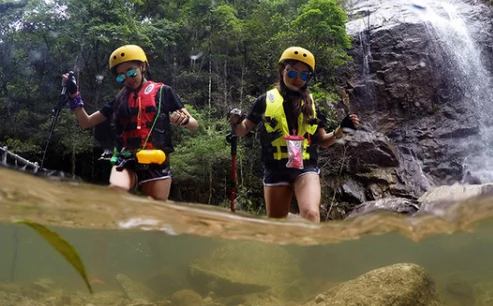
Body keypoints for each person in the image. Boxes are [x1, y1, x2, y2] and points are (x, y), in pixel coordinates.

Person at [228, 46, 360, 223]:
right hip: (275, 168)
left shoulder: (312, 105)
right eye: (292, 73)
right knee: (278, 223)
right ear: (283, 70)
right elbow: (242, 130)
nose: (298, 79)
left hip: (305, 167)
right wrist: (236, 122)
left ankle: (309, 248)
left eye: (304, 75)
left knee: (311, 214)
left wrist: (341, 130)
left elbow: (323, 141)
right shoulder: (265, 101)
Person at [62, 44, 198, 201]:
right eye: (121, 76)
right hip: (126, 159)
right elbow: (86, 122)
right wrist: (74, 96)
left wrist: (185, 120)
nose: (127, 79)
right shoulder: (119, 99)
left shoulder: (163, 92)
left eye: (131, 72)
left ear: (143, 66)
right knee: (116, 192)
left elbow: (194, 124)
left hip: (155, 160)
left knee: (155, 210)